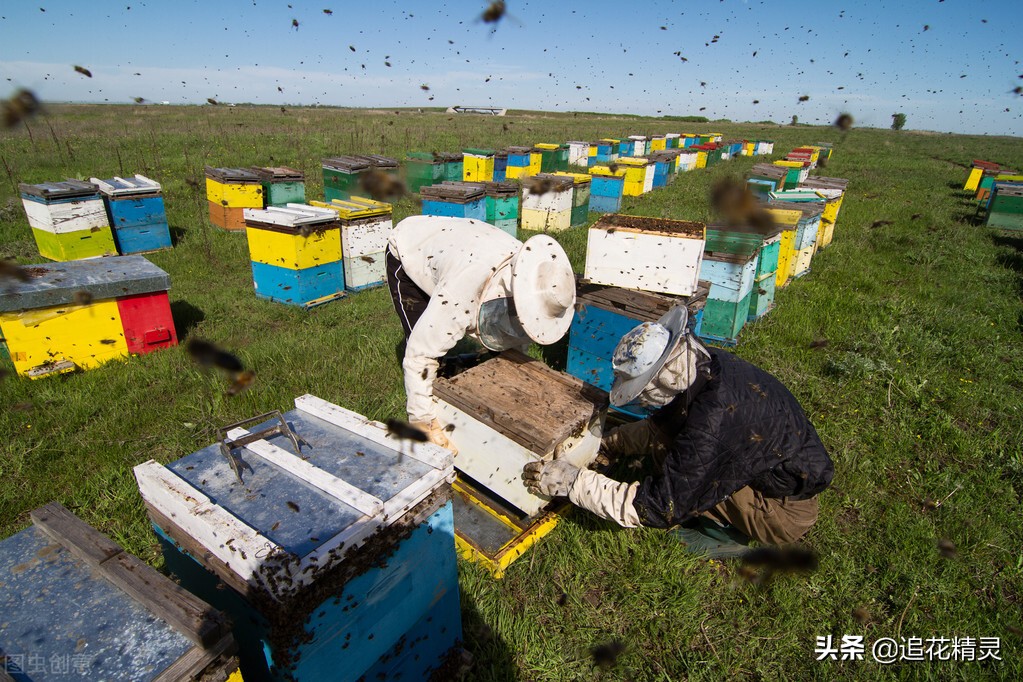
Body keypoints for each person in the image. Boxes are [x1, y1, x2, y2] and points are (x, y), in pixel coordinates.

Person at [523, 305, 833, 552]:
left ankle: (725, 535)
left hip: (781, 513)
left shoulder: (710, 429)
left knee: (682, 478)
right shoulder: (708, 364)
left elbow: (658, 507)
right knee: (669, 446)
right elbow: (663, 426)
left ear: (664, 377)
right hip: (763, 461)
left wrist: (574, 482)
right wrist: (611, 443)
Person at [386, 215, 576, 450]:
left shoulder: (536, 277)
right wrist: (422, 421)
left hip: (465, 245)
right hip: (411, 248)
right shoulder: (460, 293)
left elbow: (523, 330)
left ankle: (454, 372)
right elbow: (419, 355)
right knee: (423, 337)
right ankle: (432, 405)